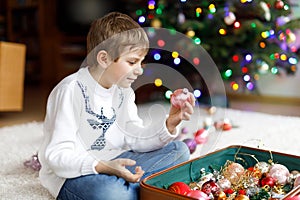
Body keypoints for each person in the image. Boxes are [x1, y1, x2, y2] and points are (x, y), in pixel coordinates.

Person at [38, 12, 195, 200]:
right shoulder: (70, 90)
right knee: (111, 193)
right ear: (104, 59)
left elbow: (133, 137)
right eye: (132, 62)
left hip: (117, 160)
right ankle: (143, 189)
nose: (139, 70)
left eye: (141, 62)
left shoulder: (123, 91)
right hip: (74, 174)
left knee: (179, 151)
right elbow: (56, 156)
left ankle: (134, 189)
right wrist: (102, 166)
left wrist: (170, 123)